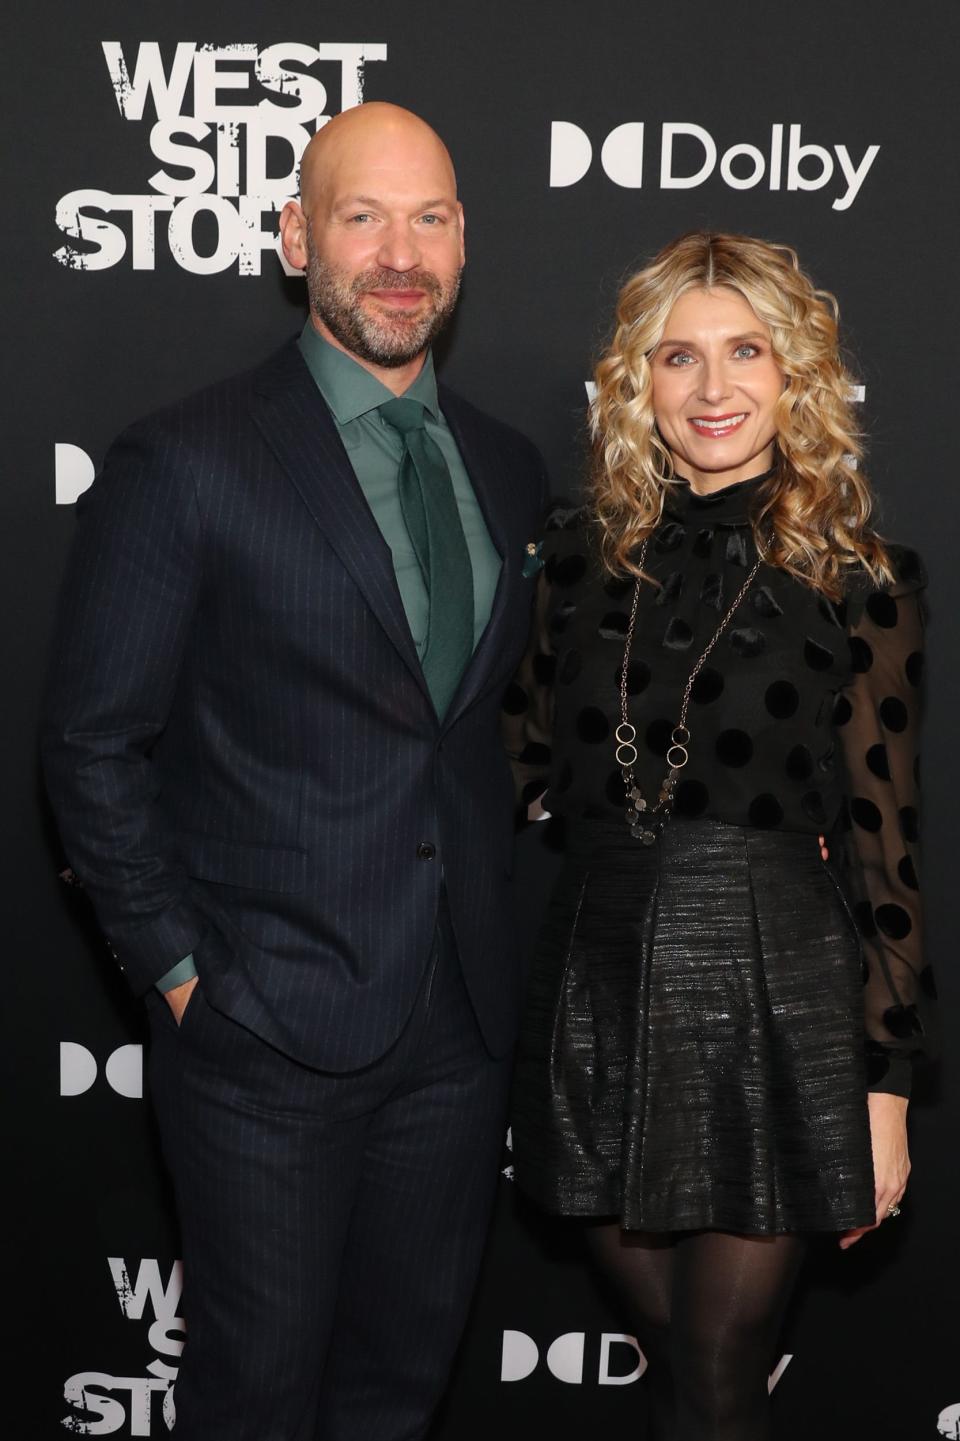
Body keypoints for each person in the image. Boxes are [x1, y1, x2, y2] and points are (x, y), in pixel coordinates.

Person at [41, 102, 547, 1441]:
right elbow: (92, 742)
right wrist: (185, 973)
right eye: (361, 215)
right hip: (263, 1029)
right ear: (293, 238)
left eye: (429, 217)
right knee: (254, 1401)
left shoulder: (504, 465)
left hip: (455, 1027)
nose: (399, 253)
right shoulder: (189, 460)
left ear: (463, 245)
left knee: (397, 1389)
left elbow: (478, 736)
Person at [505, 231, 931, 1440]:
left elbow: (885, 841)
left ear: (794, 373)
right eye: (677, 358)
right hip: (596, 975)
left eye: (746, 351)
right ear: (637, 381)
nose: (712, 390)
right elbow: (506, 762)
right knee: (685, 1367)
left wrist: (887, 1085)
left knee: (721, 1365)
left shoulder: (860, 577)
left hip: (772, 978)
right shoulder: (574, 561)